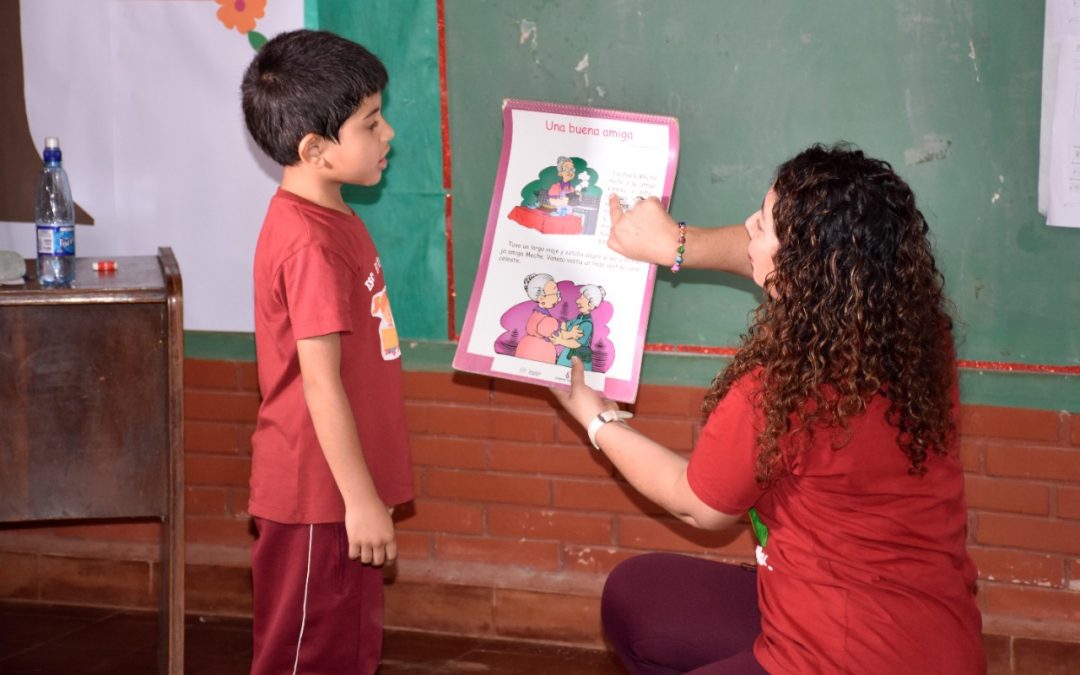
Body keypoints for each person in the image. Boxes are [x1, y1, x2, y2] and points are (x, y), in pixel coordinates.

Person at [553, 143, 984, 673]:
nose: (748, 226)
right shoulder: (917, 336)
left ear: (802, 266)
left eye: (763, 223)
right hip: (936, 641)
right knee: (640, 591)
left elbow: (698, 507)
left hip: (843, 658)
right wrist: (675, 243)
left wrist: (596, 418)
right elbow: (784, 255)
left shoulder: (783, 387)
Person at [240, 29, 413, 674]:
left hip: (343, 487)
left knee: (347, 653)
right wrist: (359, 499)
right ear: (315, 149)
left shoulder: (332, 215)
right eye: (370, 123)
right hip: (319, 496)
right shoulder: (308, 243)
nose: (388, 133)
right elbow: (320, 384)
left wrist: (369, 488)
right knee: (306, 658)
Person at [554, 284, 605, 370]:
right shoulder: (577, 319)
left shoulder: (587, 324)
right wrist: (568, 334)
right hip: (566, 358)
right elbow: (564, 325)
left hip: (578, 361)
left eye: (581, 299)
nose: (577, 301)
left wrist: (561, 340)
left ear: (591, 305)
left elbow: (576, 344)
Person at [515, 272, 563, 363]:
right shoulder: (544, 318)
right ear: (541, 299)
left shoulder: (537, 313)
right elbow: (546, 329)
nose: (558, 296)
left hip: (530, 349)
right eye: (554, 293)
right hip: (539, 352)